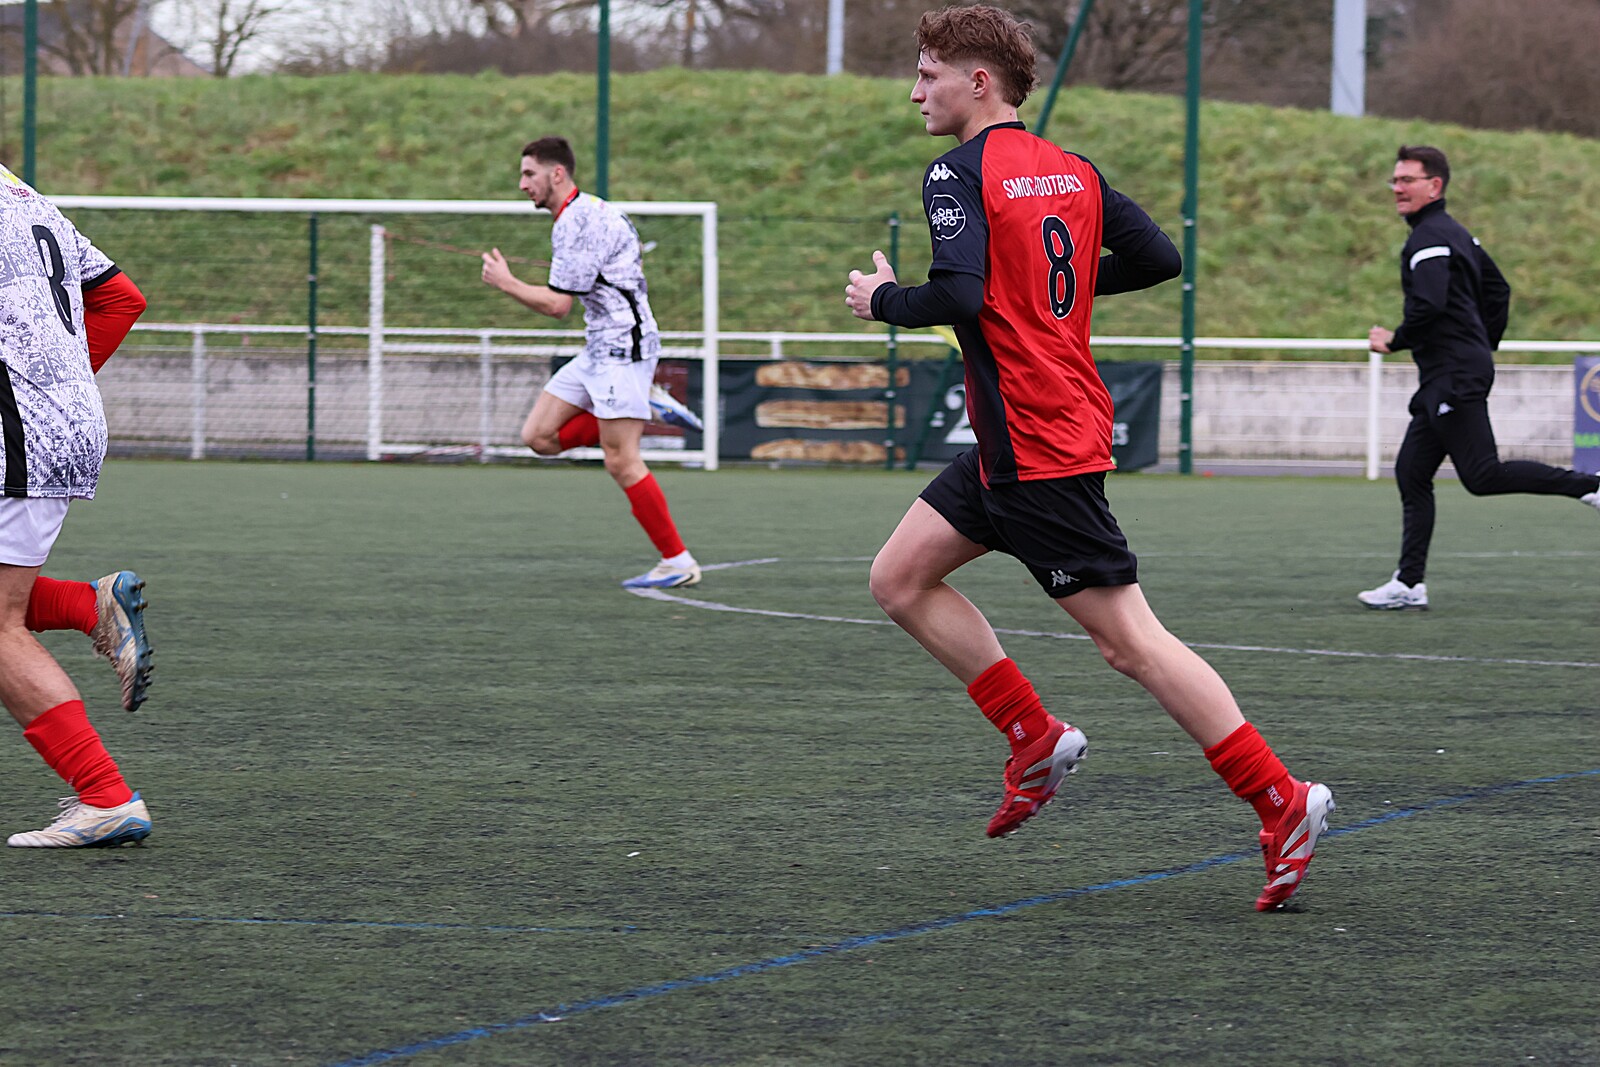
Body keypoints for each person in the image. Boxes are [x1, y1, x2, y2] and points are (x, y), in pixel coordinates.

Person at [845, 5, 1333, 911]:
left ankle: (1281, 796)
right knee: (900, 577)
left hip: (1035, 443)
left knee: (1131, 643)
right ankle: (1032, 734)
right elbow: (1158, 258)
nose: (915, 91)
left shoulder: (955, 171)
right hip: (1026, 437)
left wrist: (883, 300)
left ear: (978, 82)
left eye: (927, 73)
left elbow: (957, 294)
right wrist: (1036, 285)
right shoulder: (1072, 169)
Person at [1362, 145, 1600, 611]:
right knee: (1412, 471)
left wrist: (1395, 340)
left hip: (1452, 373)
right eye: (1395, 180)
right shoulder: (1456, 234)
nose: (1397, 189)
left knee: (1482, 474)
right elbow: (1499, 290)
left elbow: (1429, 304)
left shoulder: (1429, 237)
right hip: (1449, 372)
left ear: (1435, 186)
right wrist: (1479, 344)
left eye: (1407, 180)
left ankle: (1590, 485)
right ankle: (1409, 583)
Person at [0, 162, 153, 847]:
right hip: (54, 423)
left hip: (15, 433)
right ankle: (87, 606)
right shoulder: (21, 193)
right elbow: (121, 297)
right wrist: (56, 390)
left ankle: (105, 796)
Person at [481, 136, 704, 590]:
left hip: (623, 350)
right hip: (599, 347)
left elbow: (558, 306)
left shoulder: (577, 222)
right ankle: (644, 405)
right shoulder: (582, 213)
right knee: (539, 437)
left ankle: (677, 561)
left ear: (557, 173)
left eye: (529, 174)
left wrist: (506, 282)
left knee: (621, 460)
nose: (522, 184)